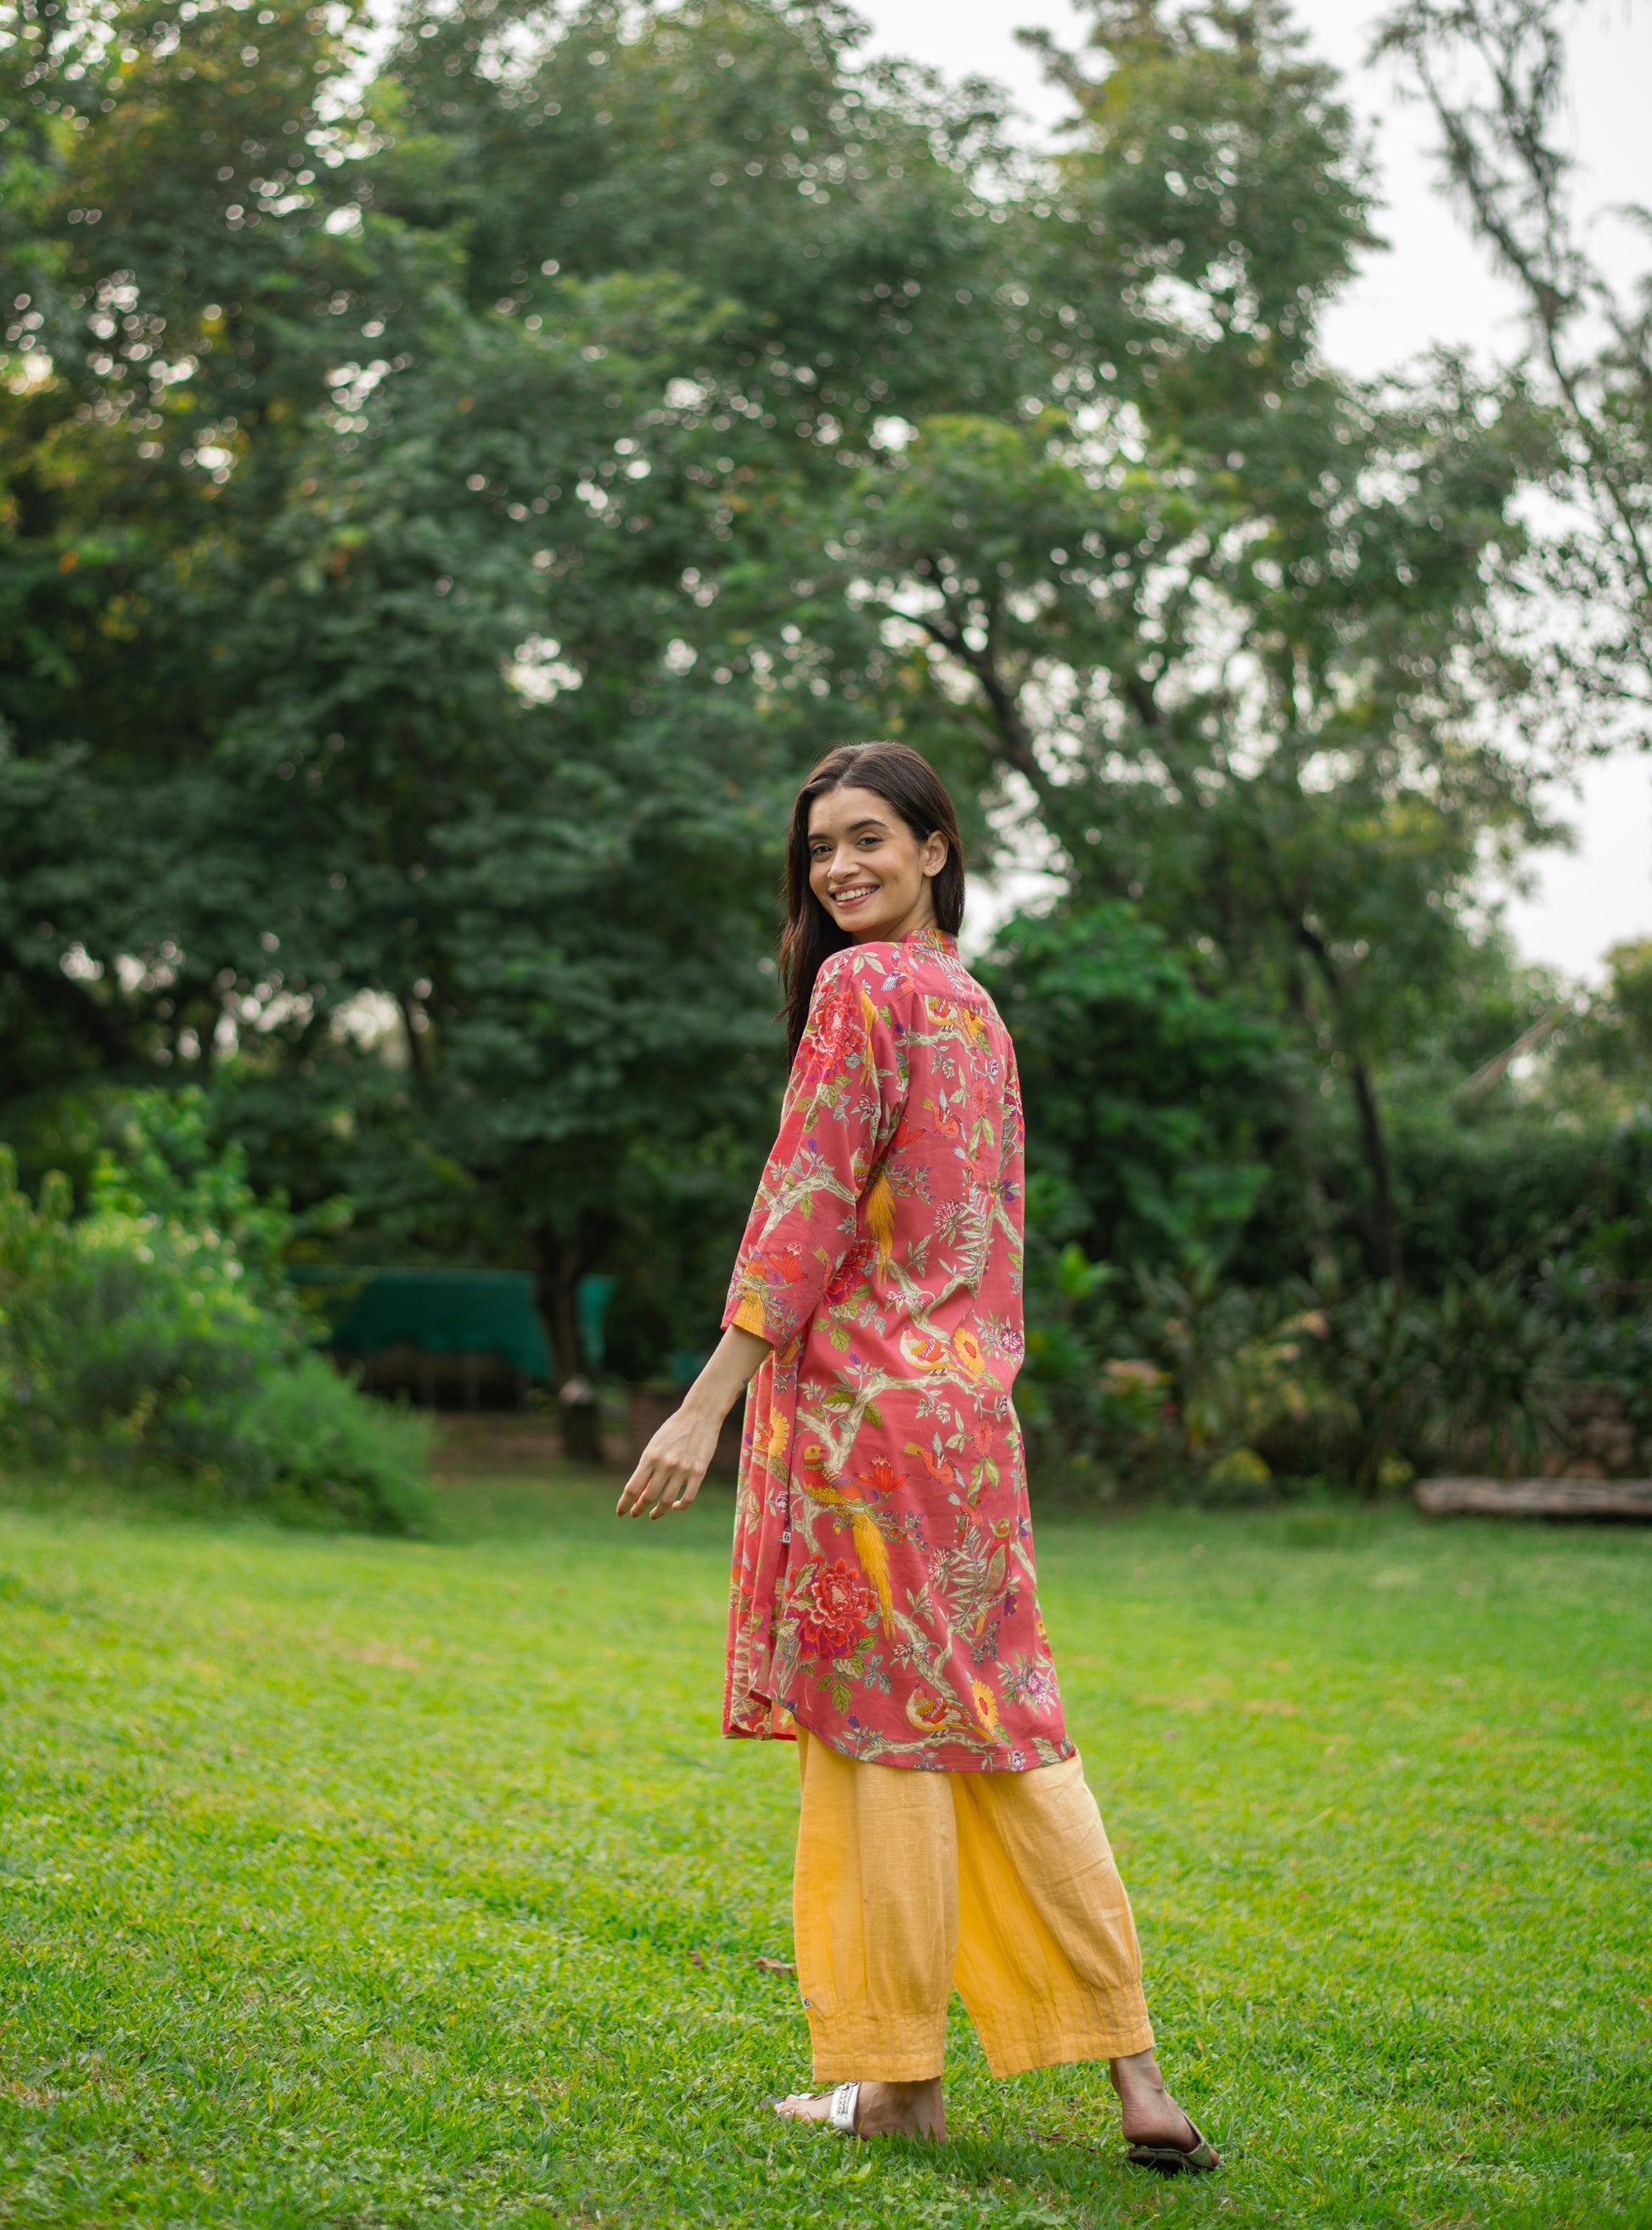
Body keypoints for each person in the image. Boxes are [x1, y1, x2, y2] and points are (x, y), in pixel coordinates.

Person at [617, 742, 1217, 2171]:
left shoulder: (861, 987)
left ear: (935, 848)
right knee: (1008, 1732)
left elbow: (806, 1200)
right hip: (966, 1429)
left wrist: (705, 1403)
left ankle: (894, 2081)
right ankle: (1137, 2077)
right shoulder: (970, 1003)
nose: (837, 868)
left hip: (863, 1431)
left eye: (867, 838)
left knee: (874, 1747)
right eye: (819, 848)